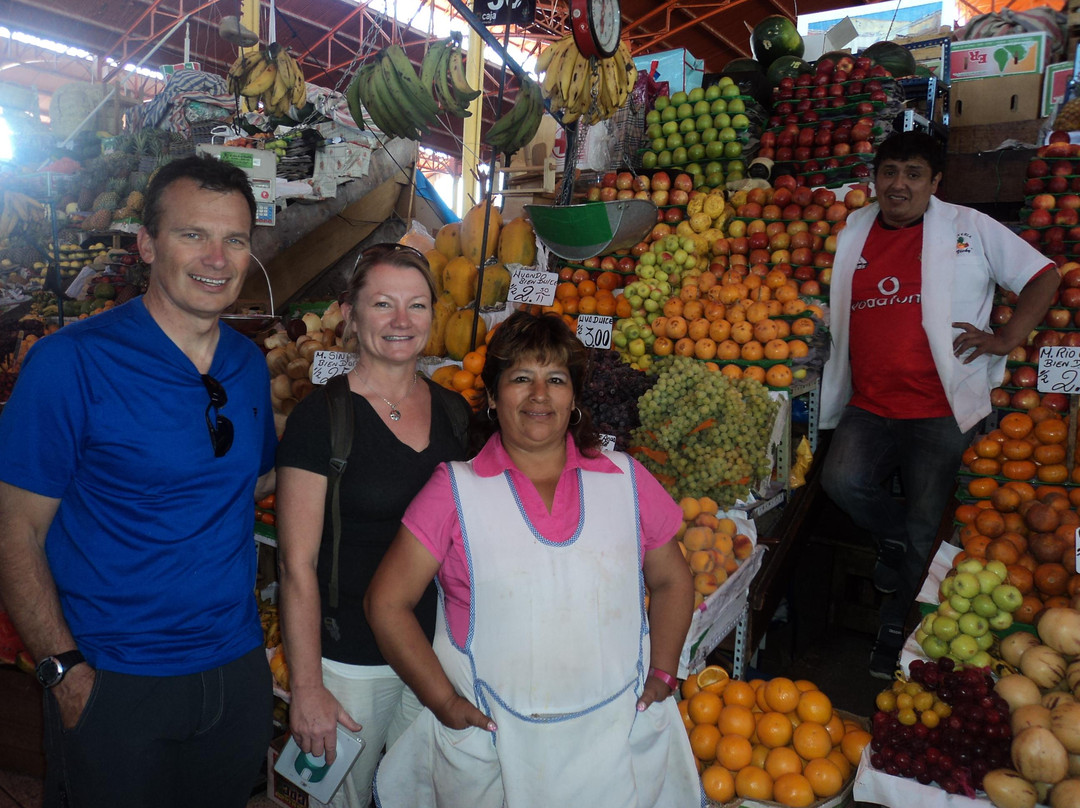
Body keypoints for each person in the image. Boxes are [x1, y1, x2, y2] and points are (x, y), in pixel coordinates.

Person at [0, 154, 278, 807]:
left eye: (235, 239)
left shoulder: (248, 364)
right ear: (147, 243)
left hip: (233, 676)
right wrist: (65, 673)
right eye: (193, 235)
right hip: (116, 679)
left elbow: (259, 482)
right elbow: (15, 531)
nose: (217, 257)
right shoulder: (71, 362)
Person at [364, 310, 702, 808]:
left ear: (574, 400)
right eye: (521, 378)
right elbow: (386, 603)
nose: (539, 395)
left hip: (613, 744)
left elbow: (673, 580)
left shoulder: (625, 479)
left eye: (556, 379)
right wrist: (445, 703)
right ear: (495, 396)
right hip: (497, 754)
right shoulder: (454, 489)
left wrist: (664, 672)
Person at [819, 131, 1058, 679]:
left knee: (930, 526)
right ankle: (895, 537)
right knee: (843, 483)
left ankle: (896, 625)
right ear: (873, 178)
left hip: (939, 409)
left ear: (935, 182)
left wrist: (1006, 338)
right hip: (870, 402)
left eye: (913, 173)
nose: (899, 184)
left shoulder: (969, 228)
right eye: (889, 172)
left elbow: (1043, 276)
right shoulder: (854, 229)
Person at [275, 243, 471, 808]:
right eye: (383, 304)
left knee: (421, 795)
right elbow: (296, 566)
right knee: (342, 800)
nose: (401, 321)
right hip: (349, 660)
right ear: (352, 316)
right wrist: (307, 688)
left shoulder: (454, 410)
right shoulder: (321, 418)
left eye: (416, 305)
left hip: (434, 651)